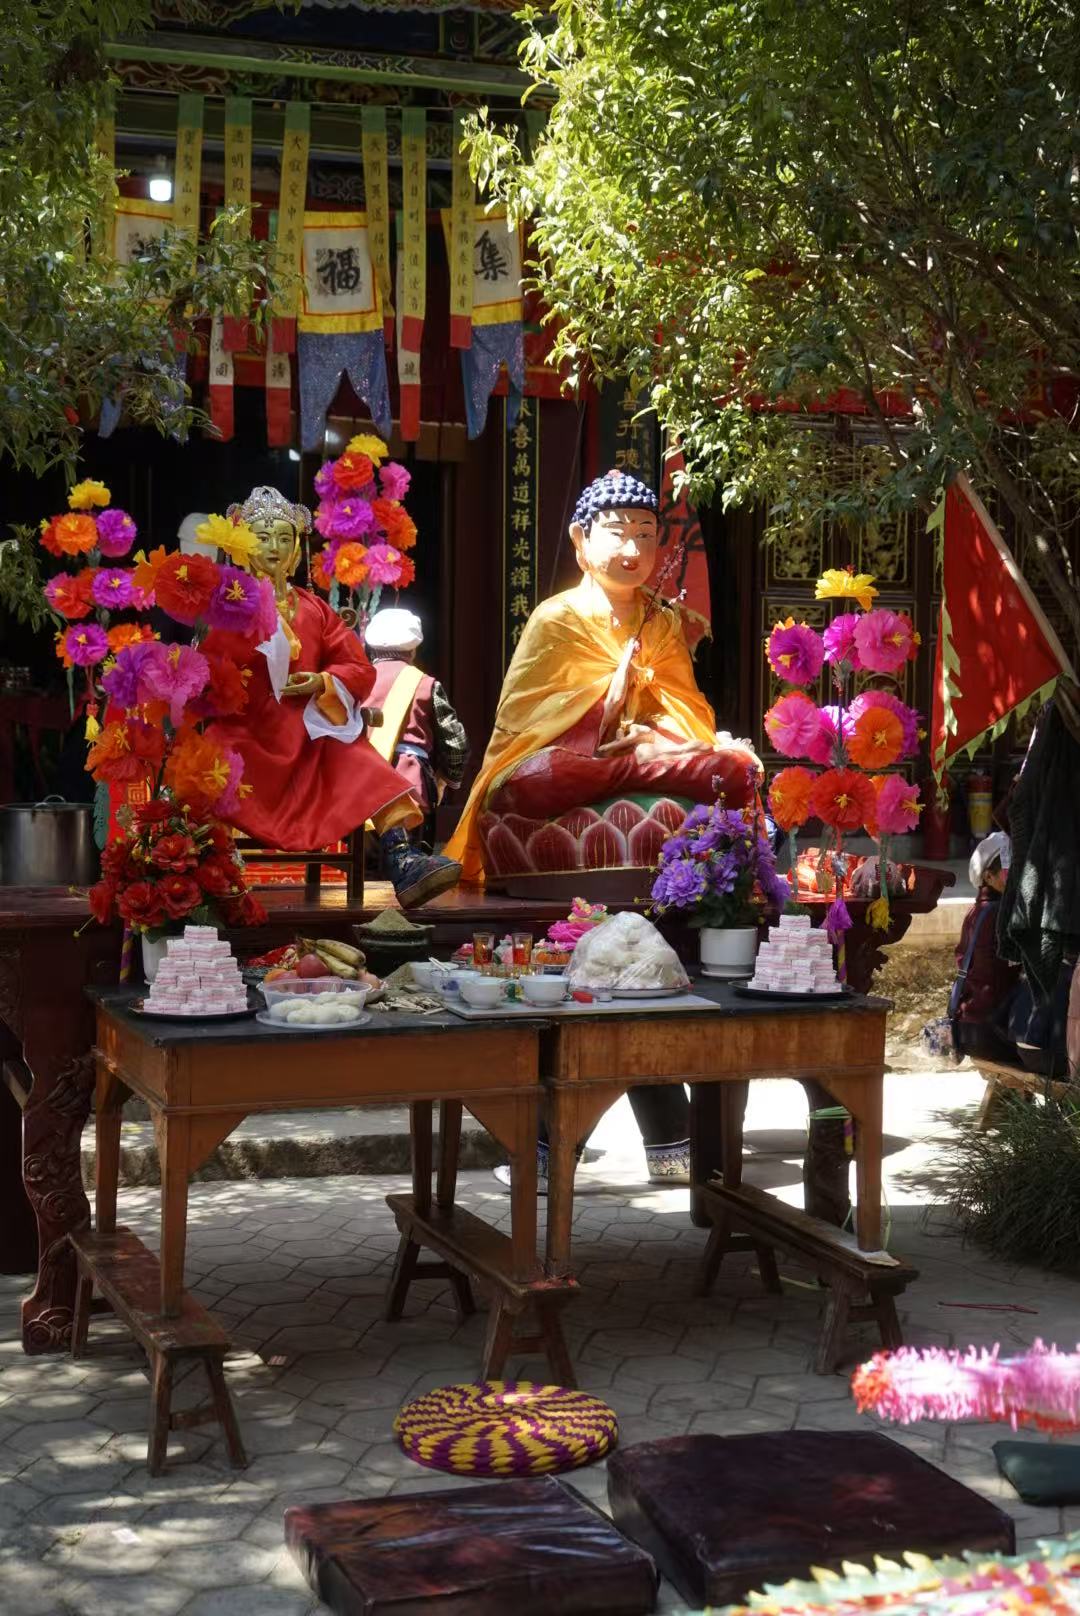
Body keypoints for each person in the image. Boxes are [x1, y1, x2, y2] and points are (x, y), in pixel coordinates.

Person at [446, 469, 761, 884]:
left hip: (651, 753)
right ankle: (634, 771)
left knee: (737, 770)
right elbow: (524, 724)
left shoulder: (663, 622)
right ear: (581, 539)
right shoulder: (557, 618)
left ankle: (639, 767)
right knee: (530, 782)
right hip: (577, 760)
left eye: (646, 535)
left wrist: (653, 738)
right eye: (617, 533)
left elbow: (685, 708)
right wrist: (604, 707)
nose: (633, 549)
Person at [201, 487, 460, 908]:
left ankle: (402, 859)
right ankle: (212, 867)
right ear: (242, 547)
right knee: (207, 764)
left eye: (284, 538)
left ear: (298, 549)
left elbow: (359, 668)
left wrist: (322, 682)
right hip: (246, 729)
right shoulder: (227, 608)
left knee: (360, 758)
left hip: (308, 734)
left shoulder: (315, 610)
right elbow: (210, 674)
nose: (274, 547)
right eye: (262, 537)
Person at [364, 607, 468, 845]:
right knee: (410, 866)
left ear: (372, 648)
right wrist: (445, 780)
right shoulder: (425, 683)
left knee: (363, 870)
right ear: (412, 651)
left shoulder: (359, 679)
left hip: (361, 787)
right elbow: (456, 741)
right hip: (410, 786)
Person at [949, 831, 1021, 1062]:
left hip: (968, 1028)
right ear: (989, 877)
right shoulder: (1003, 914)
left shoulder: (976, 912)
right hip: (994, 1030)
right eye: (1010, 871)